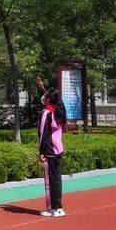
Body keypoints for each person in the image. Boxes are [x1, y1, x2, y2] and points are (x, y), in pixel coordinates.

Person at [38, 87, 67, 217]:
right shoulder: (59, 111)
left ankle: (53, 208)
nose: (43, 98)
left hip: (49, 150)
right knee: (57, 179)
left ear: (48, 100)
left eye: (45, 96)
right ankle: (58, 207)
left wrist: (41, 151)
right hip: (58, 148)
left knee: (50, 181)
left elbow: (43, 134)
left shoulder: (47, 113)